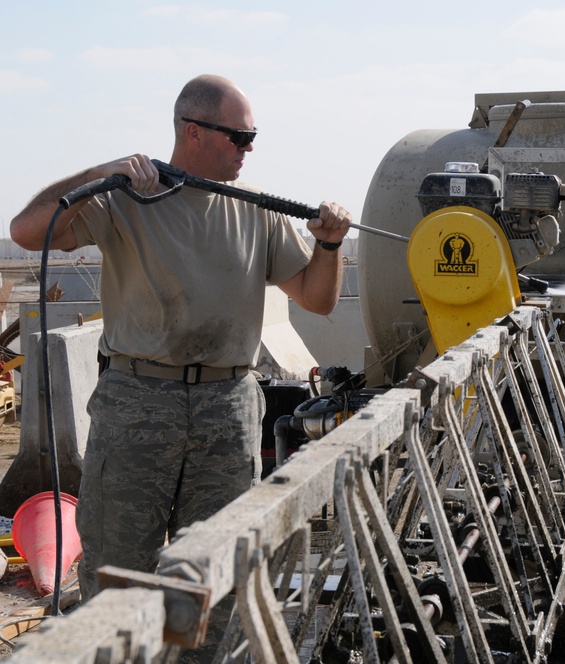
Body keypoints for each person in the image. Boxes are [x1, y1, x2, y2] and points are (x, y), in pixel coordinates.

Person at [10, 74, 351, 655]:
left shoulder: (255, 212)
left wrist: (329, 244)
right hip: (138, 405)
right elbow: (26, 230)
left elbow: (316, 298)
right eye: (240, 138)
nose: (249, 150)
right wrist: (103, 174)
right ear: (194, 132)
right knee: (119, 572)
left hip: (226, 408)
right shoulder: (124, 199)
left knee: (214, 575)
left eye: (252, 138)